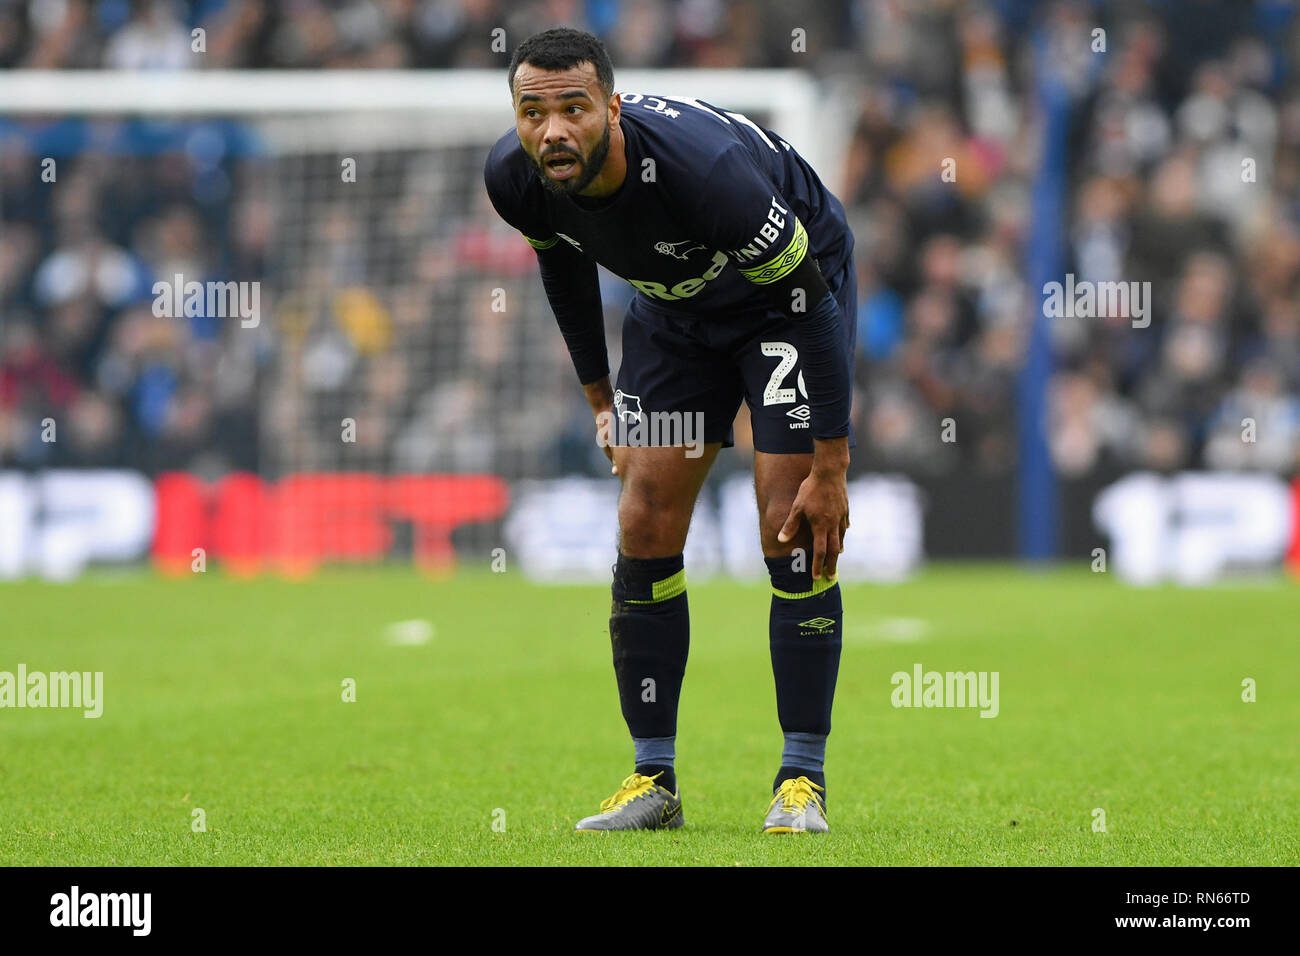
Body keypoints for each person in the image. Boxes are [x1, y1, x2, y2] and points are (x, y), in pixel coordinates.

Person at [484, 27, 856, 834]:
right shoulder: (515, 179)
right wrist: (598, 399)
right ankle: (653, 778)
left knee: (787, 523)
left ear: (611, 109)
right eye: (533, 112)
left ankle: (802, 780)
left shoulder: (705, 176)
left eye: (573, 110)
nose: (553, 132)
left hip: (784, 304)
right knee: (644, 516)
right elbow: (563, 265)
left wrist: (832, 465)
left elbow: (812, 304)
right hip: (678, 309)